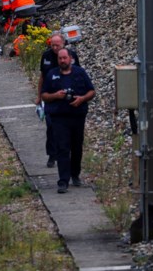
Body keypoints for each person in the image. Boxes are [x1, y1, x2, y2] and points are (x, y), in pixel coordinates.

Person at [41, 48, 95, 194]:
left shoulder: (80, 72)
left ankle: (75, 174)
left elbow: (92, 91)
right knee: (62, 148)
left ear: (70, 58)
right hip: (59, 118)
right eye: (60, 58)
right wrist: (56, 96)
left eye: (65, 58)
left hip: (77, 116)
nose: (62, 61)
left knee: (77, 147)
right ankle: (63, 181)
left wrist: (82, 99)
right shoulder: (52, 74)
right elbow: (44, 95)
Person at [36, 33, 80, 169]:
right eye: (52, 45)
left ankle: (68, 155)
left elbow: (78, 75)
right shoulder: (46, 56)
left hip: (68, 96)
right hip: (51, 97)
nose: (54, 48)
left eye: (57, 45)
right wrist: (39, 96)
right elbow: (42, 77)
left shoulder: (71, 56)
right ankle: (52, 155)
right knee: (51, 126)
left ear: (63, 44)